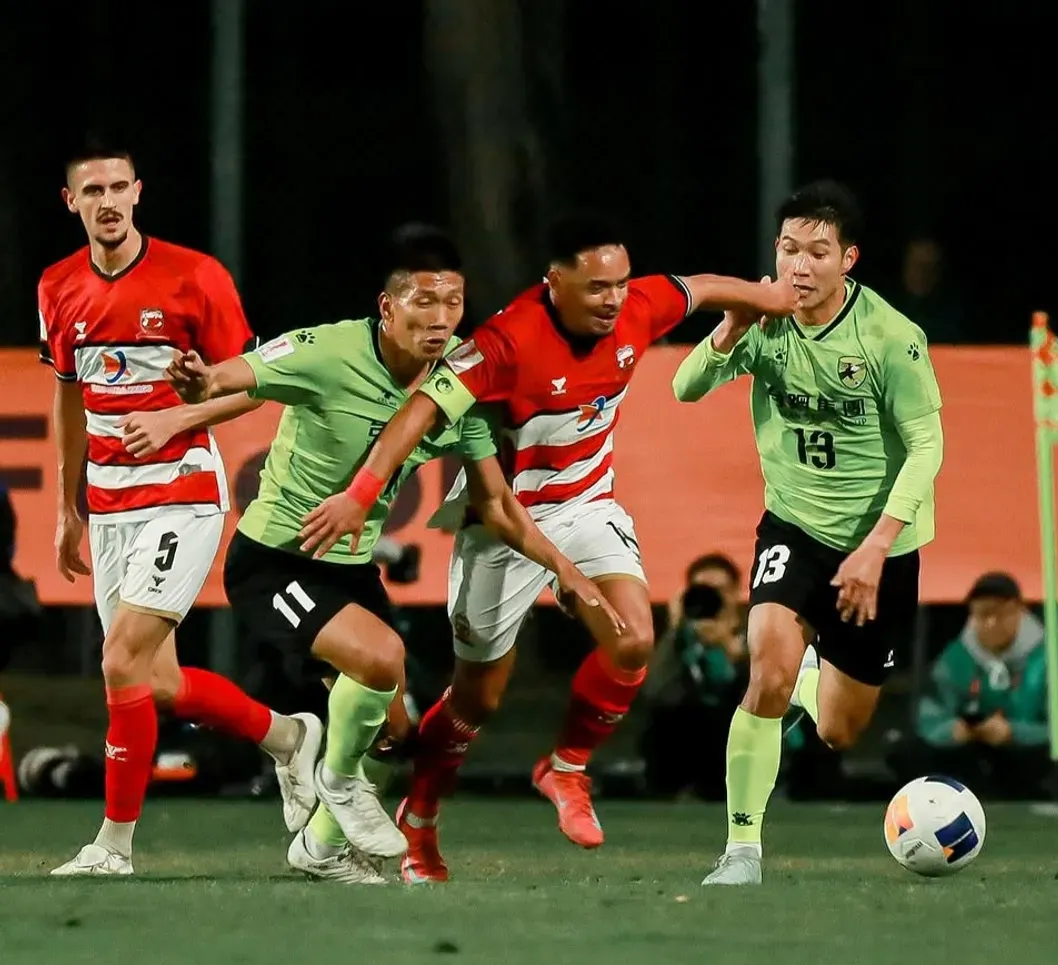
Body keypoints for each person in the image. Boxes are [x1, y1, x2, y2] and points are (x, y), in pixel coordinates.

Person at [296, 210, 797, 881]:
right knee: (476, 699)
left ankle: (565, 768)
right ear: (553, 282)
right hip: (504, 523)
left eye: (619, 283)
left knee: (634, 639)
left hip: (587, 507)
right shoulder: (505, 342)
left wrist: (773, 297)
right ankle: (419, 819)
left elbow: (702, 287)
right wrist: (361, 493)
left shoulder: (636, 307)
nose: (613, 298)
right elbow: (417, 413)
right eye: (595, 287)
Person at [167, 224, 621, 884]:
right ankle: (338, 781)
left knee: (395, 735)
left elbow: (496, 504)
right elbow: (234, 378)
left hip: (350, 571)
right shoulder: (329, 350)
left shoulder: (455, 387)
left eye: (453, 303)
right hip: (276, 560)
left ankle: (319, 849)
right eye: (424, 303)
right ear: (388, 306)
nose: (441, 320)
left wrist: (565, 570)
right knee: (383, 659)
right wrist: (195, 383)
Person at [39, 140, 321, 877]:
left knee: (120, 657)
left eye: (117, 187)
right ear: (71, 202)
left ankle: (113, 846)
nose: (106, 201)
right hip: (109, 503)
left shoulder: (195, 276)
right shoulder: (57, 286)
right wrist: (70, 508)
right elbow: (69, 396)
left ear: (139, 192)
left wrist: (178, 418)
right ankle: (289, 739)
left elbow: (256, 382)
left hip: (182, 491)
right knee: (153, 681)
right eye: (90, 190)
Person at [671, 180, 945, 886]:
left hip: (881, 548)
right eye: (789, 248)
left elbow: (926, 449)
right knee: (763, 666)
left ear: (847, 259)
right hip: (793, 527)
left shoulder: (890, 338)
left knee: (838, 731)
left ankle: (813, 679)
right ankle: (741, 853)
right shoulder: (765, 322)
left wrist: (876, 548)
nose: (800, 264)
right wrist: (731, 325)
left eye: (818, 251)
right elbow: (685, 388)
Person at [887, 572, 1058, 800]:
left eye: (1000, 614)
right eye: (982, 615)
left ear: (1019, 611)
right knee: (909, 752)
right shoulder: (956, 657)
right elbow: (930, 716)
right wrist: (952, 730)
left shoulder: (1050, 658)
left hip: (1023, 754)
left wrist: (1014, 732)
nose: (991, 623)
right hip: (971, 752)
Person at [641, 553, 748, 801]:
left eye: (719, 590)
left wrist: (734, 653)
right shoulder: (678, 640)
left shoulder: (755, 633)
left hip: (736, 751)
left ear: (735, 593)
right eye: (703, 590)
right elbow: (655, 693)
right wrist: (676, 630)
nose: (711, 599)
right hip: (680, 753)